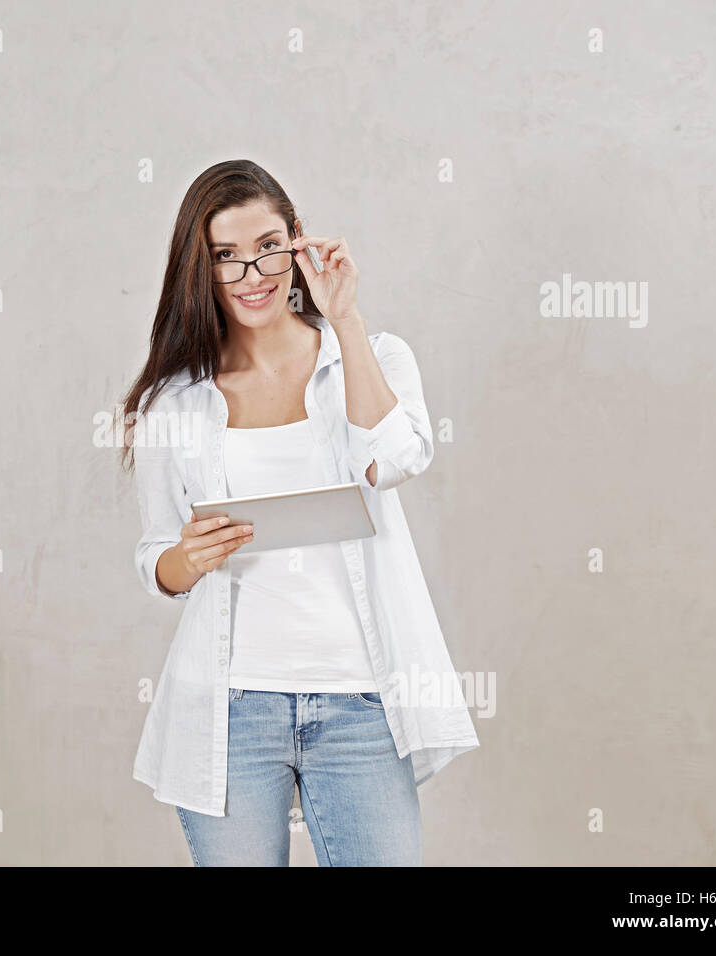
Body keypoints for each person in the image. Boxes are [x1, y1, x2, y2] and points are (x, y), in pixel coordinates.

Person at [120, 159, 479, 866]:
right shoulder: (177, 402)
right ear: (201, 268)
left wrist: (345, 320)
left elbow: (397, 457)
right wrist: (182, 561)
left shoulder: (372, 356)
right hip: (231, 711)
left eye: (267, 248)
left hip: (359, 703)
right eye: (225, 256)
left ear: (298, 245)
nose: (251, 274)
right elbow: (157, 556)